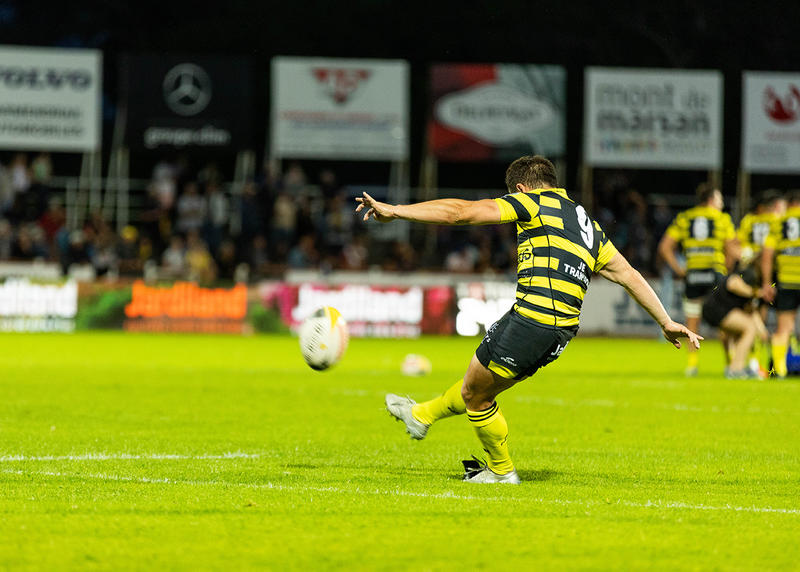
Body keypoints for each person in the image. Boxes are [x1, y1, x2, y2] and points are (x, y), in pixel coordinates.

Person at [355, 155, 701, 484]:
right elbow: (627, 273)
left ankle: (501, 472)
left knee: (477, 396)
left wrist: (396, 211)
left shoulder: (533, 202)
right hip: (560, 330)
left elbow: (460, 213)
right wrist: (665, 321)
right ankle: (421, 416)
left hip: (534, 317)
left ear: (521, 189)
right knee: (477, 384)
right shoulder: (586, 224)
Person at [657, 183, 736, 376]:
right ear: (710, 200)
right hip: (715, 274)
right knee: (725, 321)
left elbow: (665, 247)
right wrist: (726, 271)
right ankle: (730, 365)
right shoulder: (722, 218)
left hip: (692, 275)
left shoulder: (685, 218)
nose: (721, 203)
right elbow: (732, 249)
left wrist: (679, 269)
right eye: (719, 199)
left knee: (692, 322)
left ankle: (692, 366)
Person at [701, 257, 767, 379]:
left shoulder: (754, 277)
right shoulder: (749, 273)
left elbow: (750, 310)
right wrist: (754, 293)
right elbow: (733, 284)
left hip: (717, 310)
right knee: (749, 329)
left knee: (739, 332)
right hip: (717, 309)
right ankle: (736, 369)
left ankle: (733, 366)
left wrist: (762, 329)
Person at [761, 190, 800, 378]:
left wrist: (767, 282)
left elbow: (767, 255)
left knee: (783, 328)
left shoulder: (778, 222)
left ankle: (780, 370)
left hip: (787, 281)